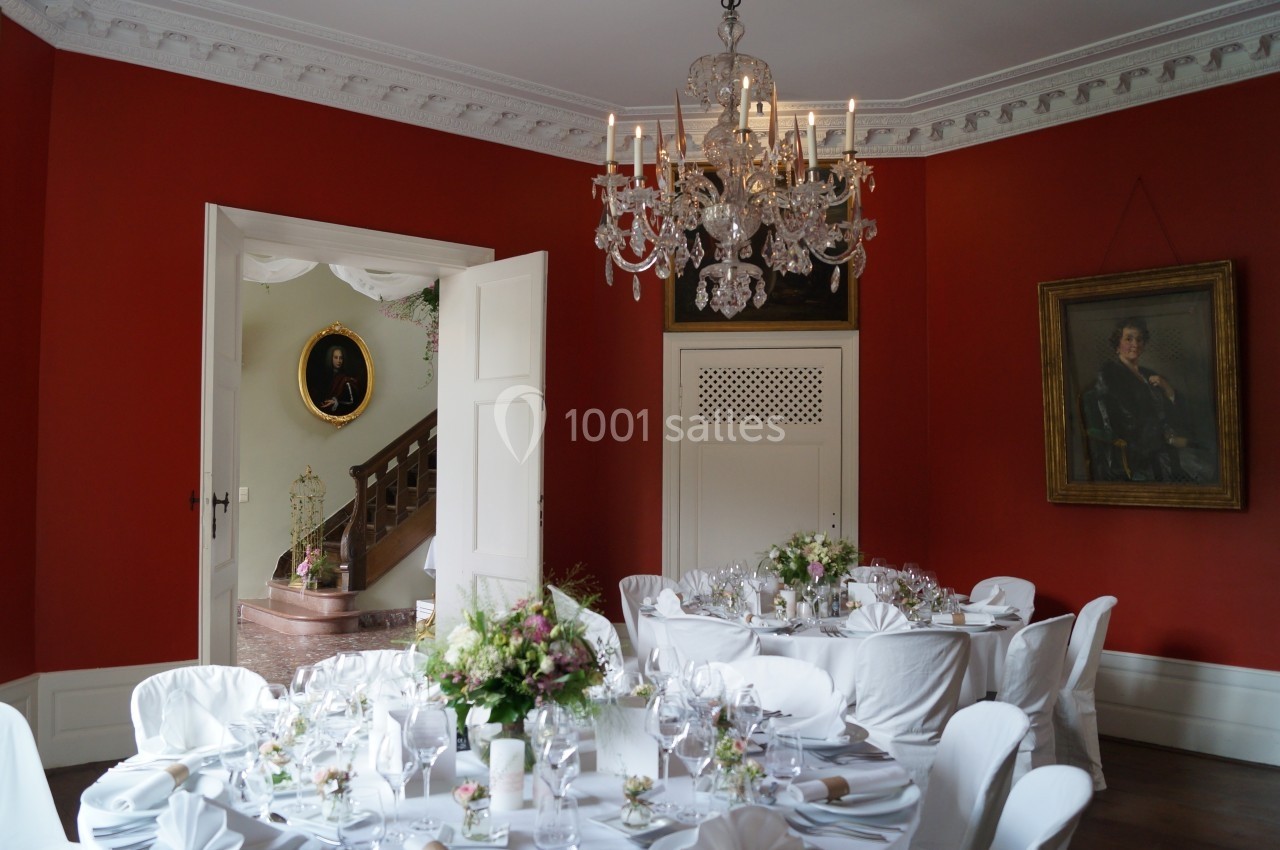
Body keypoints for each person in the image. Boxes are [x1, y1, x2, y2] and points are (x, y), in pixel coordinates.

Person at [1083, 317, 1190, 482]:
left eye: (1139, 339)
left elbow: (1176, 409)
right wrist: (1166, 436)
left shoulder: (1148, 374)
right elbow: (1125, 415)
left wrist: (1167, 388)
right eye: (1128, 338)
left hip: (1163, 438)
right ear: (1117, 345)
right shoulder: (1110, 373)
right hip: (1135, 446)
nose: (1135, 344)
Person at [318, 343, 360, 414]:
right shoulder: (325, 376)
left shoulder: (346, 379)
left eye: (341, 358)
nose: (339, 361)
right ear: (331, 358)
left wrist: (335, 402)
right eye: (336, 357)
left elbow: (352, 402)